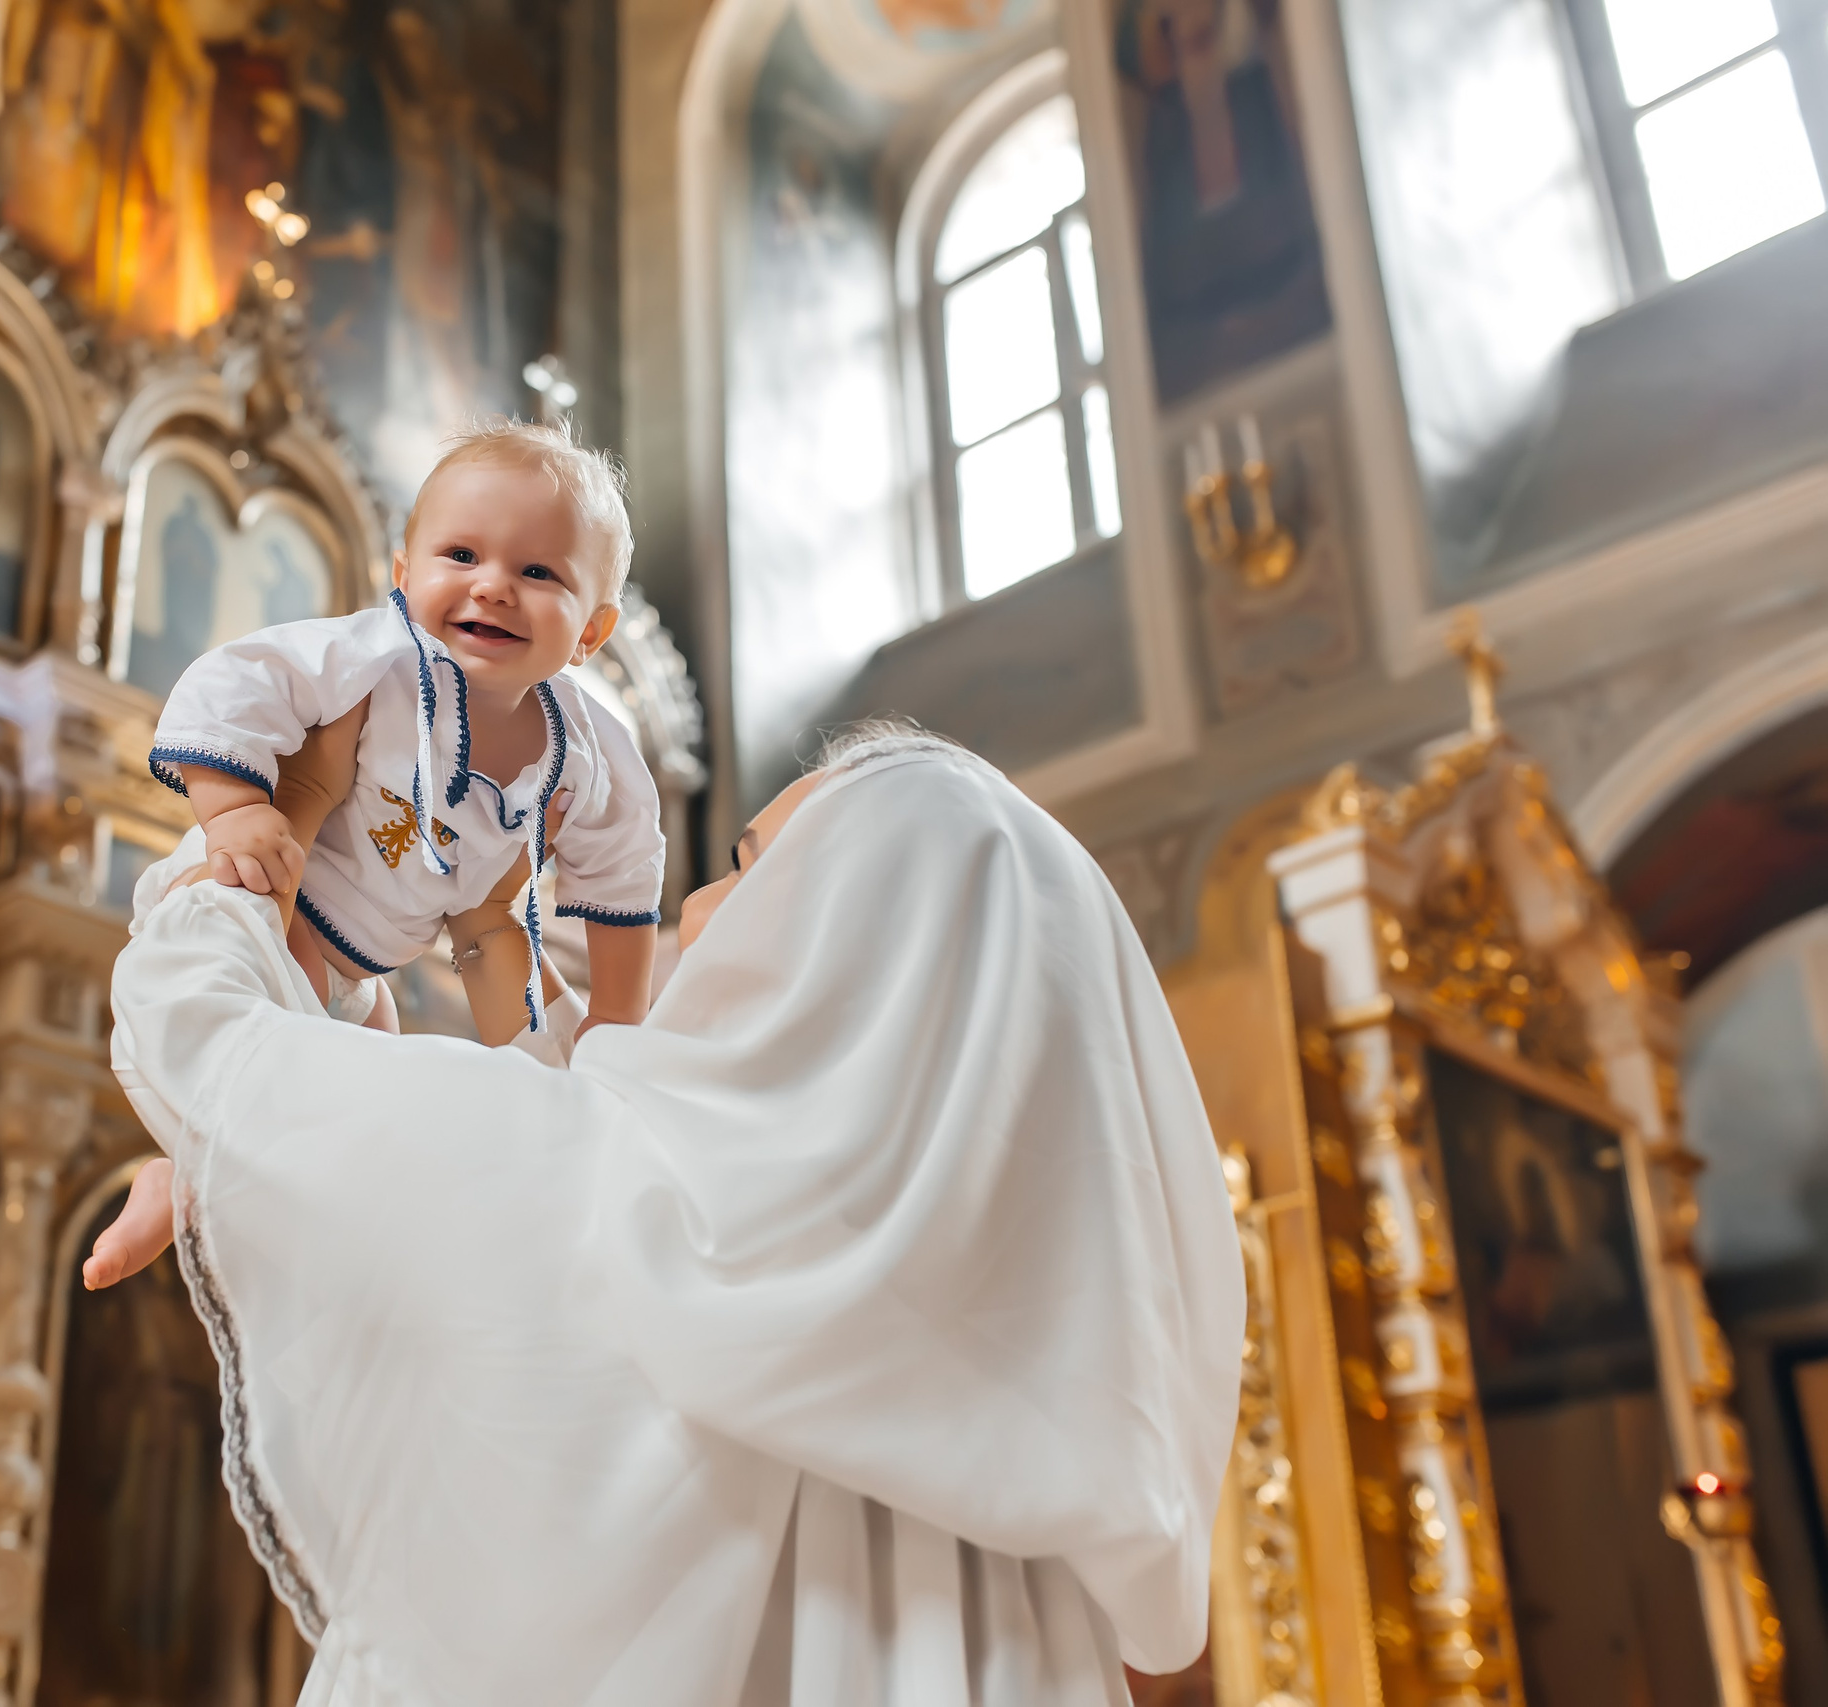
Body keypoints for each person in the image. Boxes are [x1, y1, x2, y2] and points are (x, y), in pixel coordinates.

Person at [90, 721, 1243, 1703]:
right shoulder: (1032, 1402)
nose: (695, 905)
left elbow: (207, 1041)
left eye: (751, 867)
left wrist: (271, 822)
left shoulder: (629, 1194)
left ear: (851, 941)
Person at [145, 416, 663, 1047]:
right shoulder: (375, 658)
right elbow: (235, 681)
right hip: (257, 892)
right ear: (405, 575)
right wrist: (235, 810)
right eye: (462, 555)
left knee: (379, 1078)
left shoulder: (586, 750)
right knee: (298, 1047)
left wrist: (615, 1017)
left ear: (590, 632)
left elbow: (627, 866)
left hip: (362, 976)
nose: (493, 585)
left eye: (538, 573)